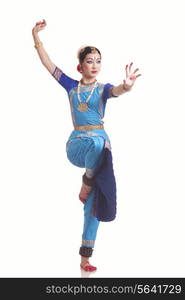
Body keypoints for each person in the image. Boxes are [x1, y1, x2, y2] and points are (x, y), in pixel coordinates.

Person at [32, 19, 141, 272]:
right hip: (78, 146)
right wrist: (36, 37)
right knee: (98, 141)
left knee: (94, 204)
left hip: (100, 151)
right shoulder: (71, 86)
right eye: (90, 61)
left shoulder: (102, 90)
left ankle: (85, 258)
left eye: (99, 61)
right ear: (80, 66)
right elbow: (49, 65)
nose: (95, 65)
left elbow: (117, 90)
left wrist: (127, 86)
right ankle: (87, 181)